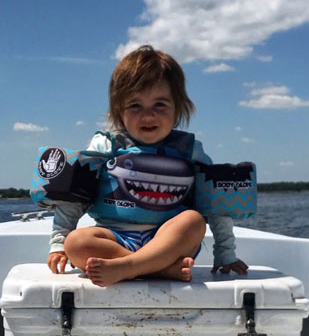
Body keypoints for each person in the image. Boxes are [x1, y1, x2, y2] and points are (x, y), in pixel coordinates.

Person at [46, 45, 249, 287]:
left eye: (160, 105)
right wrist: (59, 243)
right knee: (76, 243)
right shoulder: (105, 144)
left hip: (167, 241)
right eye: (135, 106)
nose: (148, 115)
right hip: (114, 238)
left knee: (193, 221)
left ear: (178, 107)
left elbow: (216, 204)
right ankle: (157, 271)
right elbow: (75, 198)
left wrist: (225, 253)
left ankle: (131, 267)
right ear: (119, 110)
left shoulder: (190, 150)